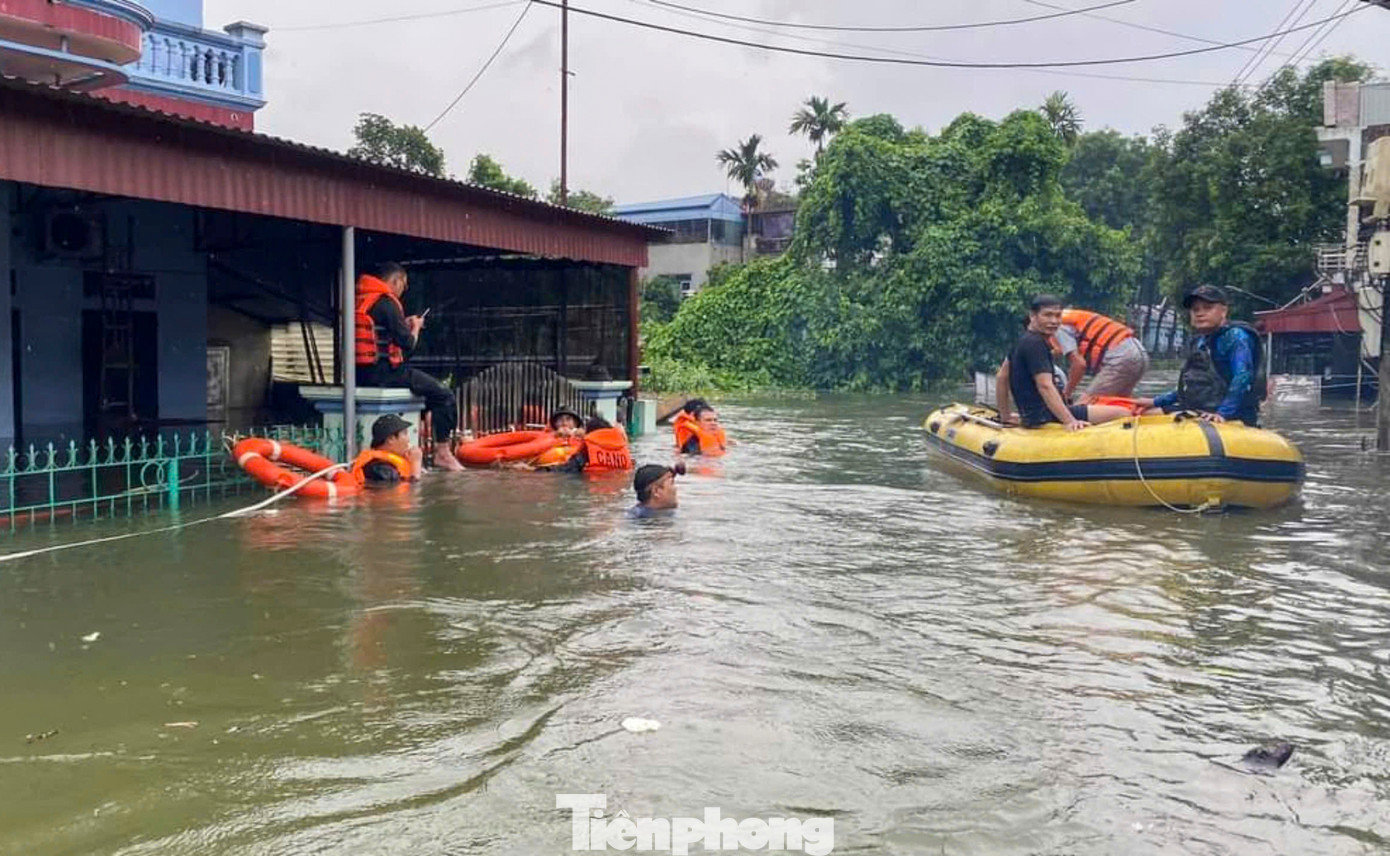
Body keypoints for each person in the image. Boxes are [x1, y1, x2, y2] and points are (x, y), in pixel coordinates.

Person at [355, 262, 463, 472]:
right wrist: (415, 328)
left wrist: (402, 323)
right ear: (395, 281)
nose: (403, 291)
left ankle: (419, 443)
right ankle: (442, 453)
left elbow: (382, 331)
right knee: (444, 395)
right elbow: (408, 345)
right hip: (387, 374)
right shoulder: (387, 303)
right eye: (404, 286)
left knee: (428, 397)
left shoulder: (361, 299)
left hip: (361, 374)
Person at [999, 295, 1132, 431]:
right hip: (1046, 416)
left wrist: (1005, 416)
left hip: (1033, 415)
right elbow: (1045, 385)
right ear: (1033, 316)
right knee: (1123, 413)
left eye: (1058, 316)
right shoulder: (1036, 344)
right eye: (1047, 315)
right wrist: (1070, 421)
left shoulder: (1023, 340)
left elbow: (1002, 377)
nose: (1054, 321)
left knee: (1104, 407)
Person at [1138, 284, 1266, 426]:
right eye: (1195, 310)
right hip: (1202, 407)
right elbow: (1192, 388)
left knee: (1151, 416)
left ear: (1223, 311)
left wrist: (1223, 413)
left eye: (1207, 308)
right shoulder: (1199, 341)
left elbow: (1242, 376)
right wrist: (1156, 401)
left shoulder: (1236, 337)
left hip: (1233, 413)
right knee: (1142, 413)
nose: (1200, 314)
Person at [1059, 308, 1149, 399]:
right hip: (1140, 352)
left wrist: (1066, 394)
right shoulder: (1067, 316)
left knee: (1087, 403)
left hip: (1121, 356)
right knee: (1120, 401)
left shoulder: (1057, 327)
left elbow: (1079, 364)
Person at [351, 414, 423, 487]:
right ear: (391, 439)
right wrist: (416, 464)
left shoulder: (386, 465)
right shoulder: (380, 469)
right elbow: (412, 491)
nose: (408, 440)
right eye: (405, 434)